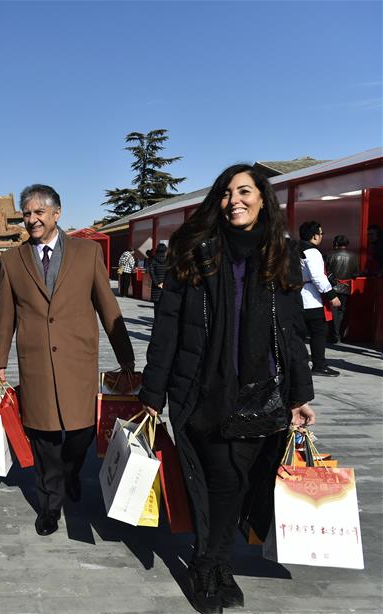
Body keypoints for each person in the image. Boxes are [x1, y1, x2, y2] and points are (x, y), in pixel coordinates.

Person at [139, 164, 315, 614]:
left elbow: (293, 330)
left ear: (262, 199)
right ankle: (208, 566)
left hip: (261, 391)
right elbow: (168, 325)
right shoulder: (194, 250)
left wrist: (301, 395)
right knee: (219, 480)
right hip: (204, 388)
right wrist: (153, 393)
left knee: (237, 483)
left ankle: (217, 564)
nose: (234, 200)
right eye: (226, 193)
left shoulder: (281, 253)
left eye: (244, 191)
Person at [0, 184, 135, 537]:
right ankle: (49, 503)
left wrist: (126, 357)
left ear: (57, 213)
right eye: (27, 214)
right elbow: (5, 315)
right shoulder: (13, 260)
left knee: (81, 431)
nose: (32, 219)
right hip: (36, 361)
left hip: (77, 360)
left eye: (39, 212)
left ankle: (72, 471)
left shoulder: (87, 254)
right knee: (44, 437)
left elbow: (108, 307)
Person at [298, 221, 340, 376]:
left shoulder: (295, 249)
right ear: (315, 236)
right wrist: (332, 296)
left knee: (298, 335)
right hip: (313, 299)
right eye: (321, 234)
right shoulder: (313, 252)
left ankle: (297, 364)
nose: (321, 236)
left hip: (298, 297)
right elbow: (318, 277)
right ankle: (319, 365)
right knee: (318, 333)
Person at [325, 235, 358, 343]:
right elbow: (355, 274)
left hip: (332, 287)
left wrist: (334, 281)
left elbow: (326, 271)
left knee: (332, 311)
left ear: (335, 243)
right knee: (341, 311)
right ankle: (338, 334)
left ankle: (334, 334)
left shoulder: (329, 254)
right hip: (346, 287)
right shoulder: (354, 256)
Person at [148, 243, 169, 317]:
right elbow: (169, 273)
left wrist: (157, 283)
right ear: (165, 251)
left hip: (156, 286)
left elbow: (151, 273)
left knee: (156, 306)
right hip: (165, 286)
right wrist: (165, 283)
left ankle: (156, 321)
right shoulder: (168, 261)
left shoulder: (153, 261)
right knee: (164, 305)